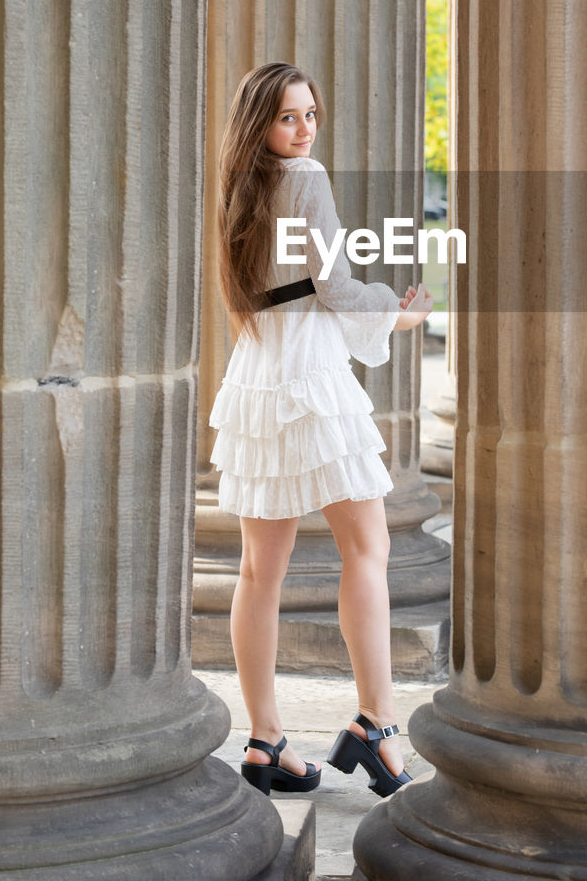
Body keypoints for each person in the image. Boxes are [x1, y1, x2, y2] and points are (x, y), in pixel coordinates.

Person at [209, 61, 433, 798]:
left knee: (258, 572)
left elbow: (278, 288)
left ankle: (266, 740)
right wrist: (399, 312)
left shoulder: (239, 183)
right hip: (307, 376)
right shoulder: (305, 179)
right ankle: (377, 725)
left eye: (309, 114)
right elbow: (333, 286)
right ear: (261, 125)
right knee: (365, 548)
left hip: (258, 369)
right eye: (287, 117)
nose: (303, 129)